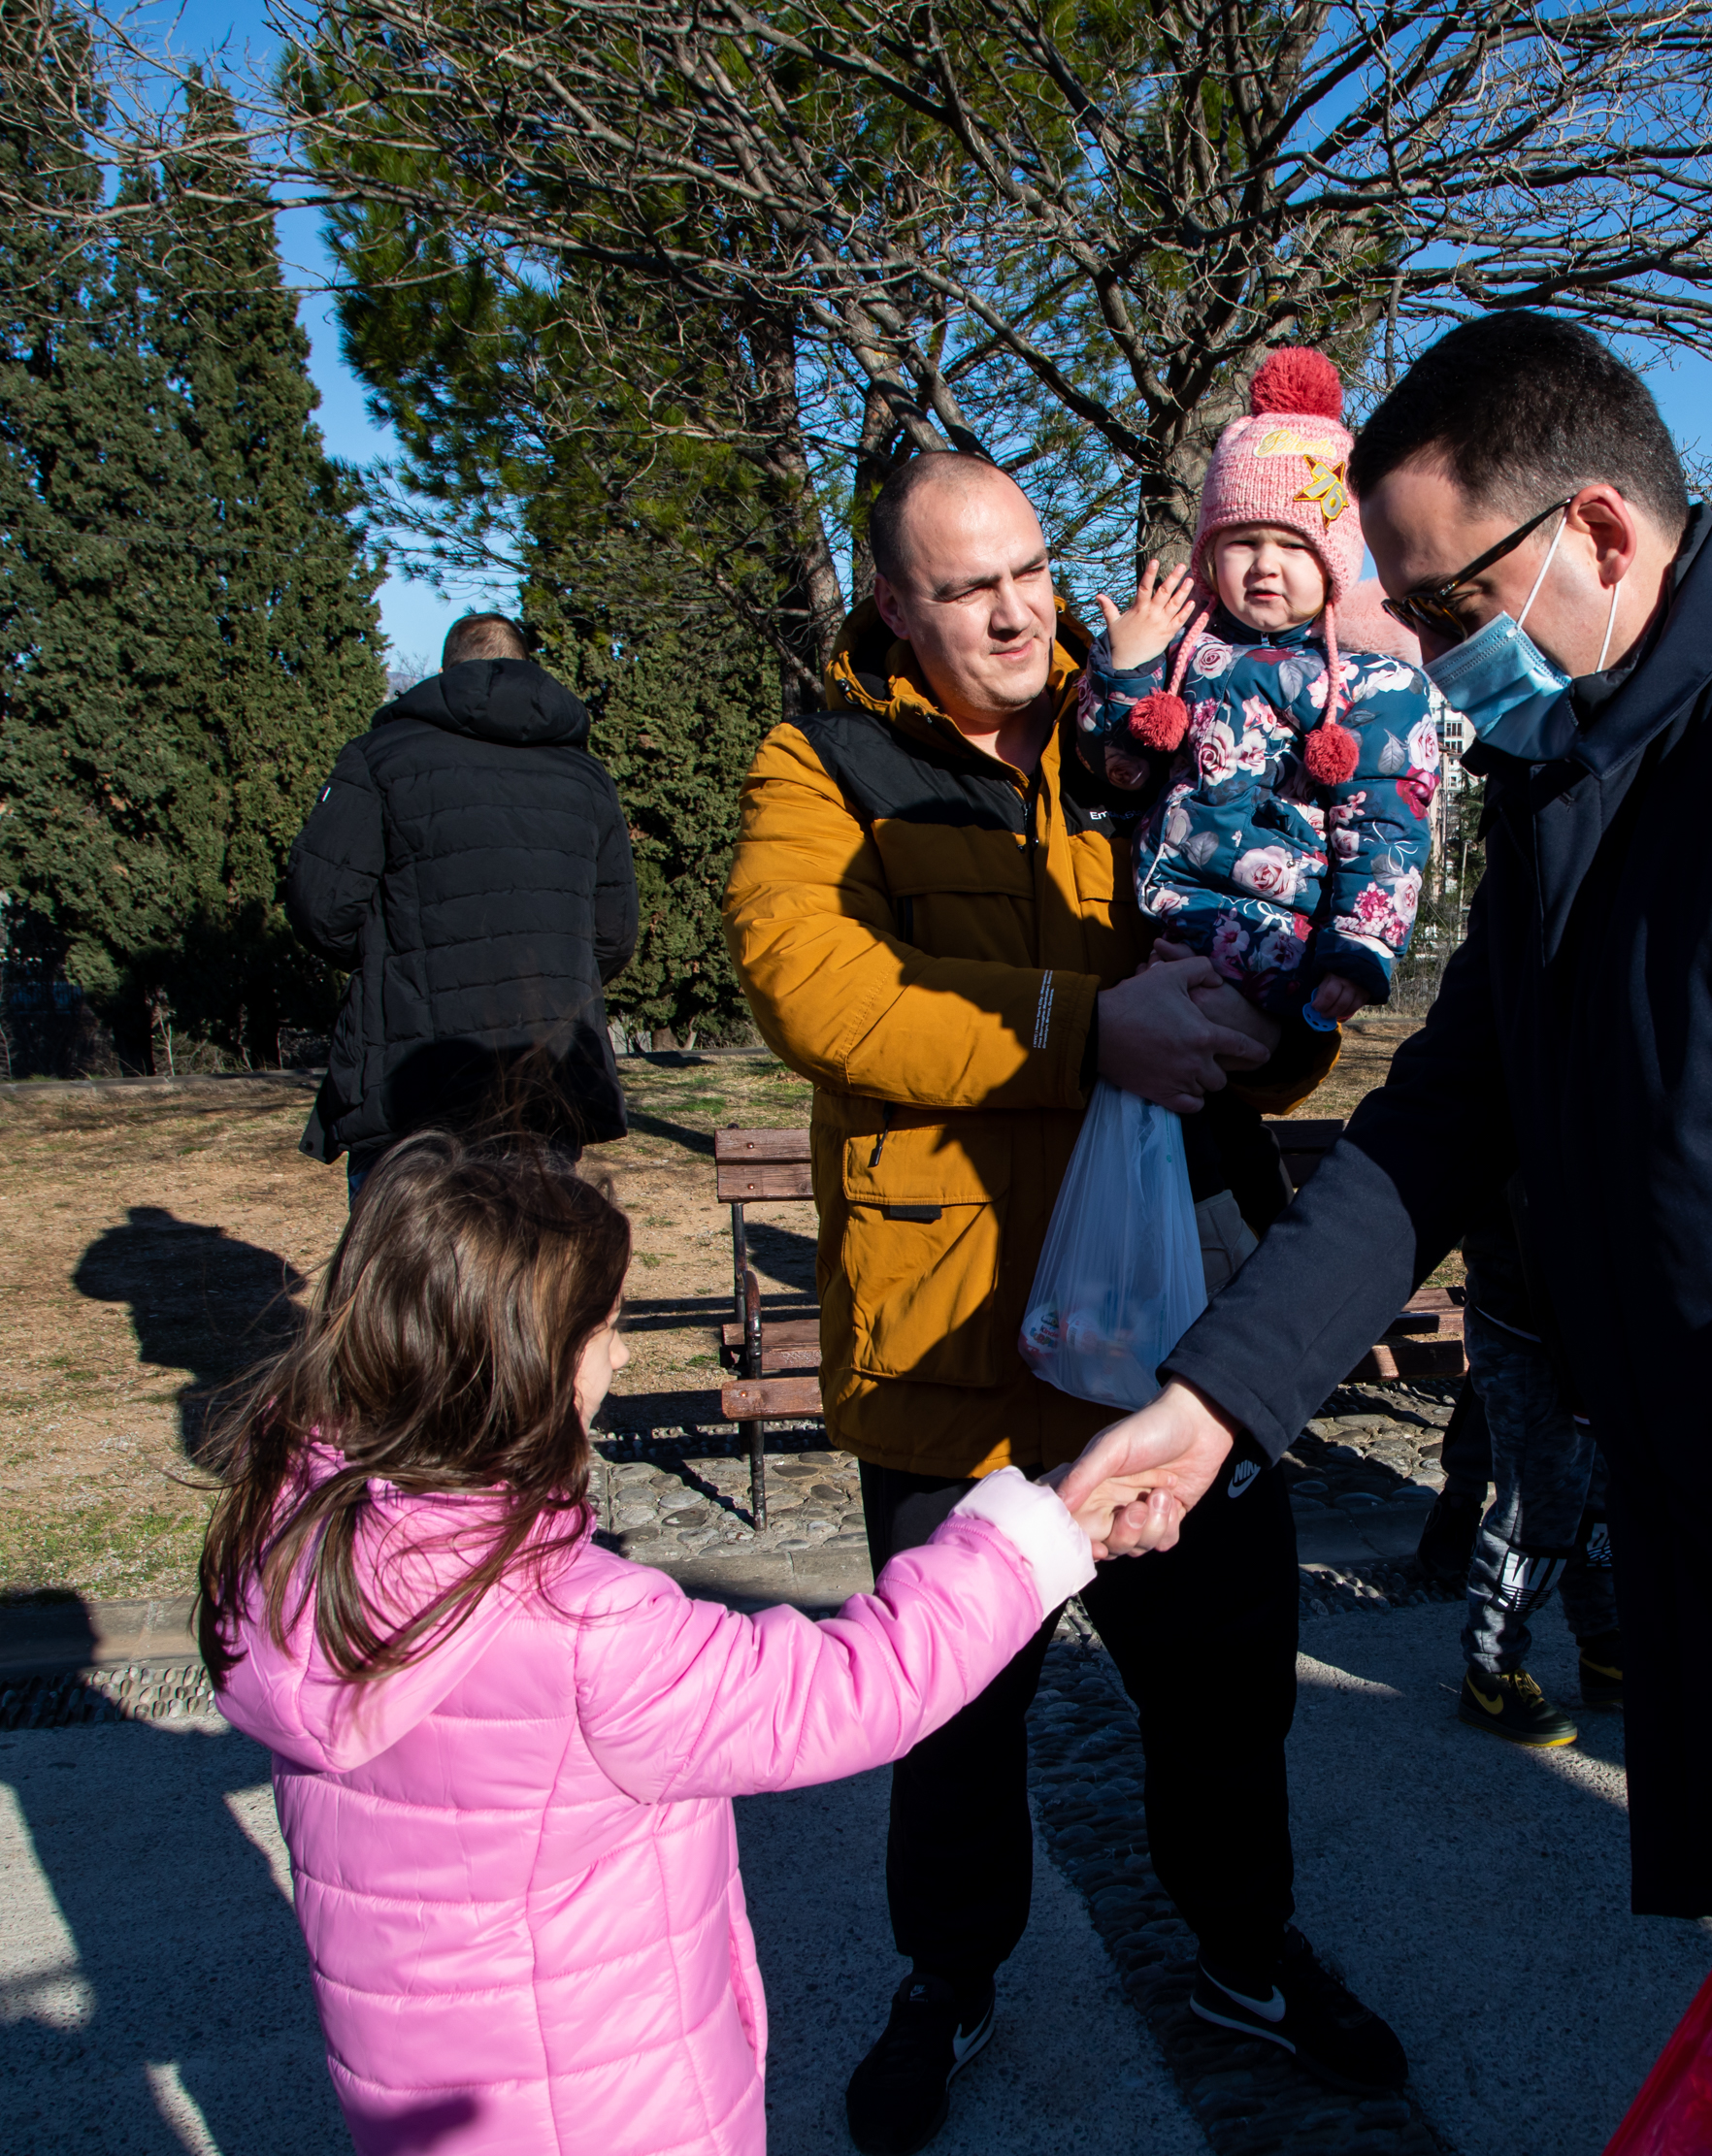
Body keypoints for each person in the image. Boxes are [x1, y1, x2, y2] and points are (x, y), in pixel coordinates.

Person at [1065, 310, 1712, 2049]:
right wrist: (1215, 1402)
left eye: (1444, 609)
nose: (1420, 658)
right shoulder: (1567, 763)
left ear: (1596, 530)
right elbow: (1438, 1117)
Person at [721, 451, 1406, 2156]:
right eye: (968, 588)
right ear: (894, 606)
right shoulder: (826, 760)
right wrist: (1081, 1029)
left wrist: (1274, 1021)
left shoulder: (1163, 714)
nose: (1020, 610)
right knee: (950, 1711)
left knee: (1226, 1681)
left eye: (1030, 568)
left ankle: (1243, 1951)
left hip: (1174, 1336)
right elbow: (811, 979)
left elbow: (1270, 932)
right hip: (953, 1338)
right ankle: (945, 1978)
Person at [196, 1134, 1113, 2156]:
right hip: (608, 2112)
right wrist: (1025, 1541)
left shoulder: (297, 1544)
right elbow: (851, 1690)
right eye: (607, 1327)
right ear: (533, 1362)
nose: (623, 1356)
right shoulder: (584, 1630)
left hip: (412, 2106)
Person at [1077, 348, 1443, 1026]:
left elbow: (1387, 822)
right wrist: (1123, 668)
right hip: (1159, 916)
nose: (1265, 566)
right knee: (1144, 1069)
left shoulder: (1371, 682)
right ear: (1209, 554)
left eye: (1294, 546)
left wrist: (1359, 945)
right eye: (1242, 542)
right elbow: (1117, 766)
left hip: (1282, 939)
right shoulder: (1181, 653)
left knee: (1206, 1062)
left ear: (1332, 561)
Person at [286, 612, 638, 1196]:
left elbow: (321, 908)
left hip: (412, 1074)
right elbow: (614, 934)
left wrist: (396, 955)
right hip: (544, 1075)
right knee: (532, 1247)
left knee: (404, 1251)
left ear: (448, 672)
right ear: (526, 668)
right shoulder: (586, 778)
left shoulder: (378, 758)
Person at [1446, 1182, 1620, 1748]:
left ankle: (1605, 1647)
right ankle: (1491, 1673)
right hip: (1527, 1325)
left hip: (1599, 1325)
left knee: (1599, 1496)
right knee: (1535, 1509)